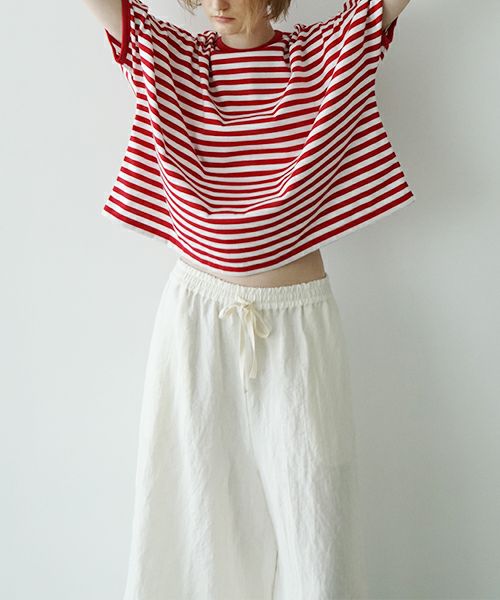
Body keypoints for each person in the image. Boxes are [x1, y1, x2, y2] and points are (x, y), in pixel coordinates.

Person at [84, 0, 413, 597]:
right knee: (192, 519)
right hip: (196, 324)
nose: (216, 5)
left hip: (298, 328)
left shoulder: (326, 56)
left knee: (317, 520)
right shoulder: (171, 59)